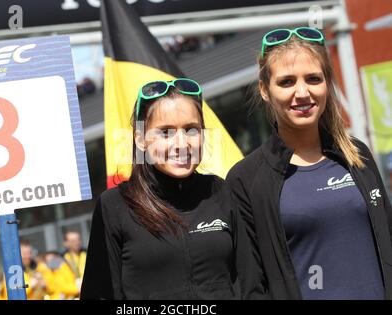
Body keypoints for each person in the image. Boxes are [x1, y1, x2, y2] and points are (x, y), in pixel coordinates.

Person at [226, 27, 392, 299]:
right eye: (287, 82)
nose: (302, 93)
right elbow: (251, 285)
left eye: (313, 79)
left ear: (327, 83)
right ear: (264, 89)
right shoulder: (246, 179)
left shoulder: (356, 154)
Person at [80, 78, 267, 299]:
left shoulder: (221, 191)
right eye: (166, 132)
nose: (181, 143)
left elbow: (252, 285)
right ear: (141, 139)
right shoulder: (114, 206)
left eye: (191, 130)